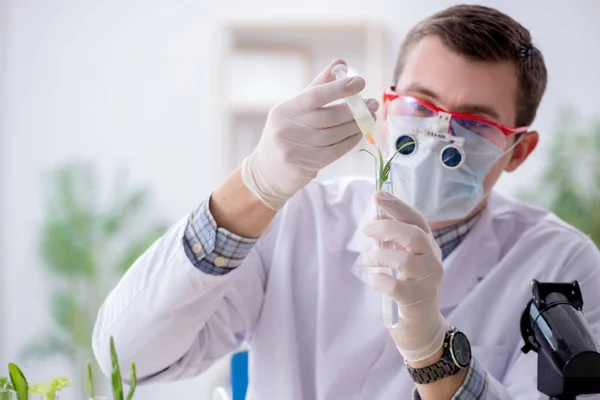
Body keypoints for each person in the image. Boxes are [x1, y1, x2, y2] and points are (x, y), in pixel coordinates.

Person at [92, 5, 600, 400]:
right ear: (384, 111)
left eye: (474, 123)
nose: (439, 131)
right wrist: (254, 185)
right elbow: (127, 356)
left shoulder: (564, 265)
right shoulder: (298, 218)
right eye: (420, 104)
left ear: (519, 151)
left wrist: (433, 350)